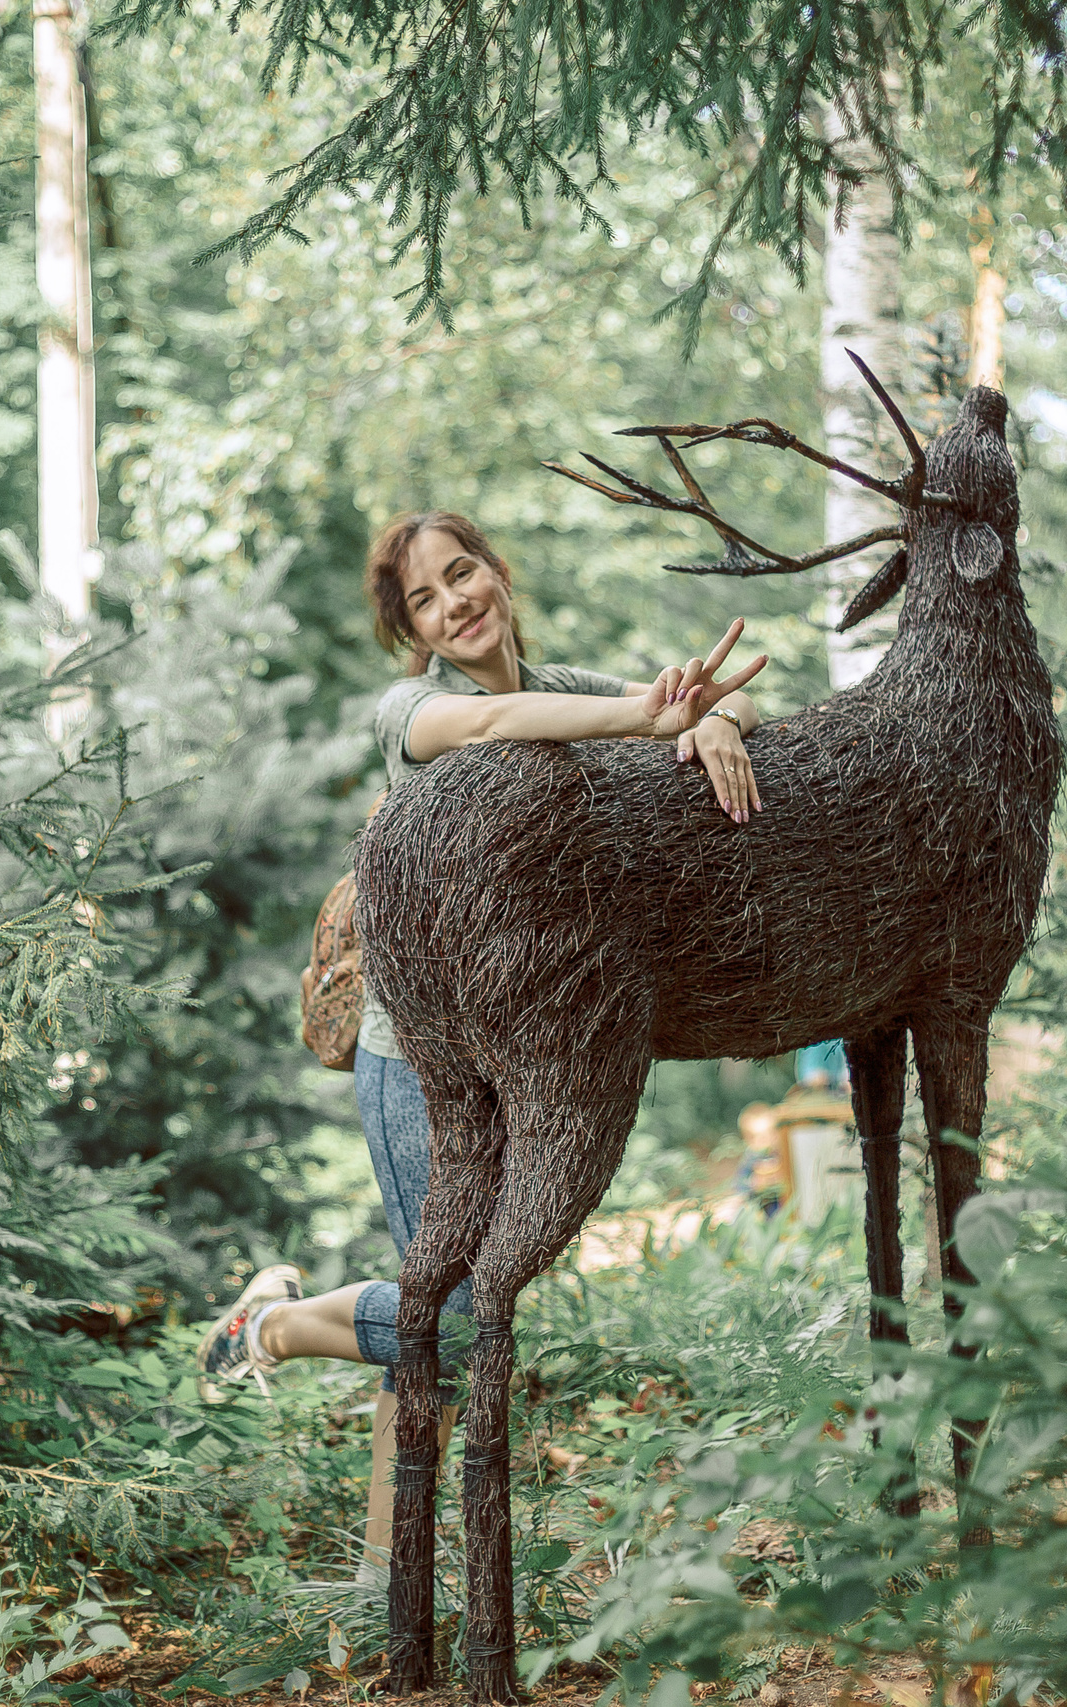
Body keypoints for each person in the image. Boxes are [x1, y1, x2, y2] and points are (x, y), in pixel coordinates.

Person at [195, 509, 768, 1574]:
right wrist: (651, 717)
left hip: (516, 1062)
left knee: (446, 1320)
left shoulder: (569, 684)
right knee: (451, 1323)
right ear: (409, 629)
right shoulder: (408, 710)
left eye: (462, 572)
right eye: (424, 595)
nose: (454, 599)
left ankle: (382, 1575)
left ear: (496, 572)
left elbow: (682, 709)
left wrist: (711, 723)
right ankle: (268, 1332)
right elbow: (495, 723)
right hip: (413, 1063)